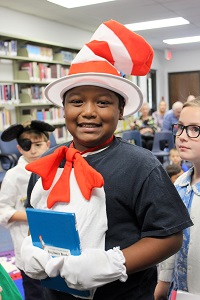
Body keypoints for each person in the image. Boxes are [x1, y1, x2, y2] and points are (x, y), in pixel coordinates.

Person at [21, 20, 192, 300]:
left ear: (121, 109)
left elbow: (169, 236)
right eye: (76, 102)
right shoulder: (48, 161)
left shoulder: (141, 165)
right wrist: (31, 247)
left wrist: (114, 263)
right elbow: (35, 216)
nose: (89, 112)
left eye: (102, 102)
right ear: (63, 109)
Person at [0, 120, 55, 300]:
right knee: (35, 292)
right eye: (27, 146)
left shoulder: (58, 170)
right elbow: (2, 209)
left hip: (55, 245)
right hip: (26, 243)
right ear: (19, 148)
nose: (33, 150)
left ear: (47, 144)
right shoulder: (13, 176)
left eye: (38, 145)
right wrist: (32, 217)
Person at [154, 97, 200, 299]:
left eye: (195, 129)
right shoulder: (179, 185)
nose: (182, 136)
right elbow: (172, 238)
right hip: (179, 292)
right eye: (180, 127)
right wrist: (162, 285)